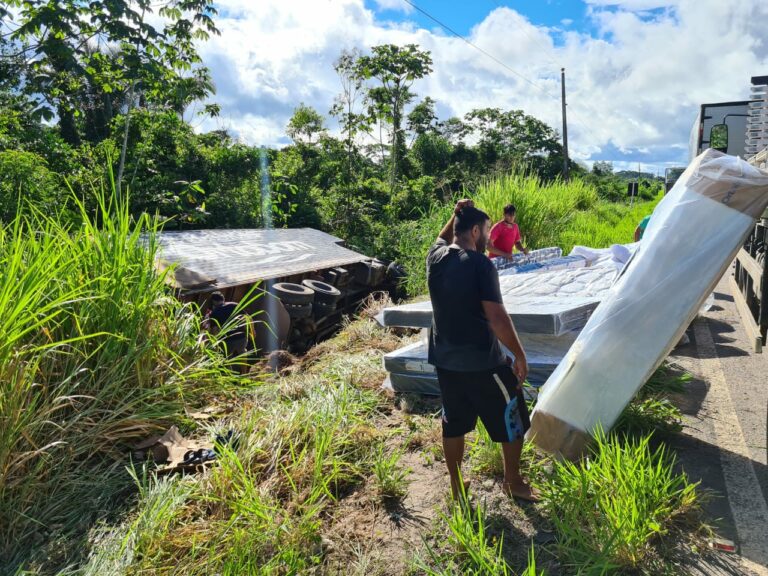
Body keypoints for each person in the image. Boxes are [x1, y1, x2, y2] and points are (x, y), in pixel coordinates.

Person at [426, 198, 538, 501]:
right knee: (512, 411)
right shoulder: (480, 265)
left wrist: (454, 213)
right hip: (482, 362)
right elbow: (498, 318)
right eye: (486, 230)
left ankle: (456, 485)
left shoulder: (434, 258)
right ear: (475, 231)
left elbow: (442, 237)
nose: (489, 236)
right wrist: (520, 354)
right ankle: (512, 482)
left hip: (445, 361)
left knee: (453, 423)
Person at [203, 291, 249, 363]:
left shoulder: (214, 313)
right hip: (242, 337)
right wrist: (252, 331)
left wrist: (212, 344)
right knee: (242, 353)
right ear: (223, 299)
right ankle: (245, 372)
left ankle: (229, 373)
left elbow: (215, 331)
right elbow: (247, 318)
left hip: (227, 341)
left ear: (213, 302)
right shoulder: (235, 305)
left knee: (227, 360)